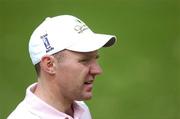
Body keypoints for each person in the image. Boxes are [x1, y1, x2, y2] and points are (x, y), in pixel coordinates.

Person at [7, 15, 116, 119]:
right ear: (49, 64)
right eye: (84, 61)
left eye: (95, 59)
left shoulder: (80, 109)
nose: (98, 70)